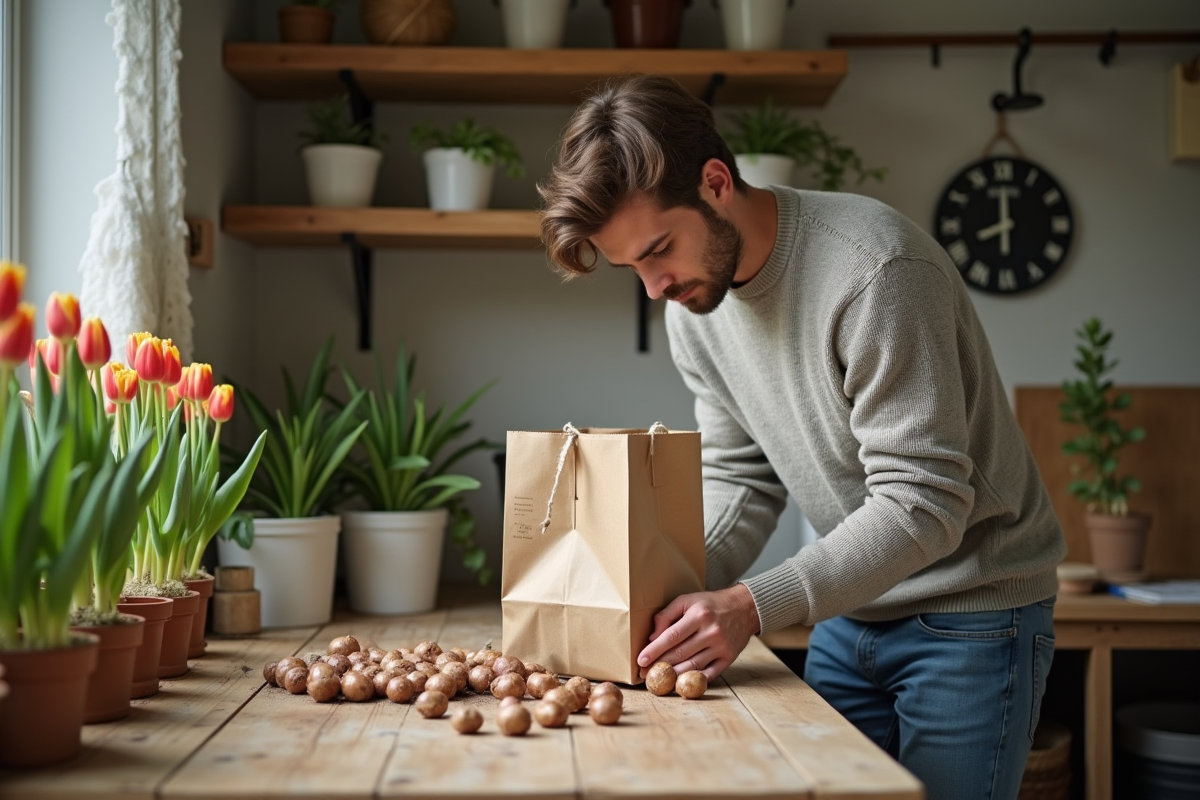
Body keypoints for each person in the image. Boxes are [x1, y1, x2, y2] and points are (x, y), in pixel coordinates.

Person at [536, 74, 1066, 800]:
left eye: (660, 249)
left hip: (972, 614)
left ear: (716, 182)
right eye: (633, 267)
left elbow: (925, 502)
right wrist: (660, 593)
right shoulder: (693, 310)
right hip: (847, 612)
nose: (654, 287)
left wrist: (749, 606)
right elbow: (741, 478)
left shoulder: (875, 270)